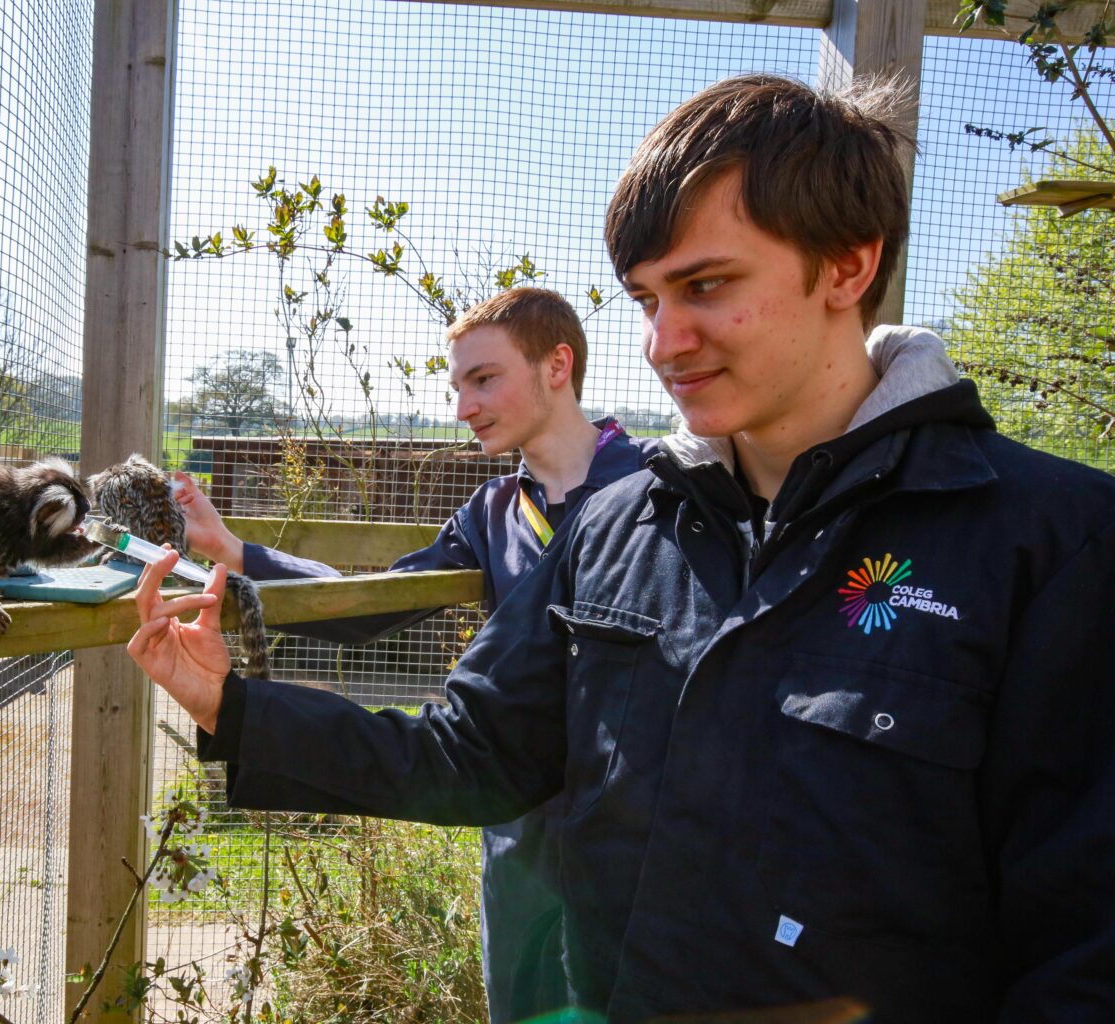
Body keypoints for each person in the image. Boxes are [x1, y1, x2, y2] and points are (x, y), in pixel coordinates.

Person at [127, 74, 1115, 1022]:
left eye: (707, 285)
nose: (663, 340)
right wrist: (235, 704)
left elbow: (1085, 945)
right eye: (646, 299)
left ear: (848, 266)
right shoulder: (619, 523)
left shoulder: (1050, 541)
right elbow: (472, 752)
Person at [174, 286, 655, 1023]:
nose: (463, 405)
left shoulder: (661, 491)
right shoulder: (492, 513)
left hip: (638, 829)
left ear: (558, 365)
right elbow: (376, 605)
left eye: (484, 378)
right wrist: (232, 551)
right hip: (520, 828)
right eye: (457, 384)